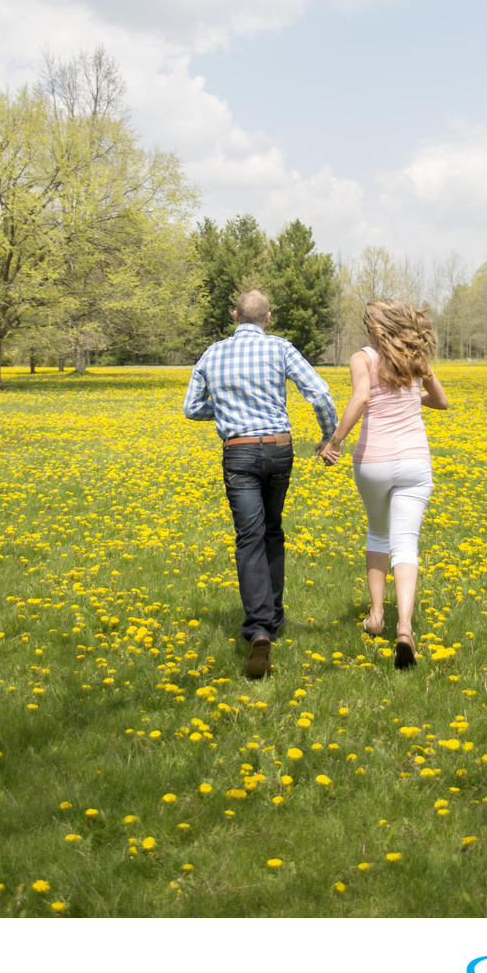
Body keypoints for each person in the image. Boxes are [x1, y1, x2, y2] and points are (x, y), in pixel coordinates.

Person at [184, 288, 338, 679]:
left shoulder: (212, 353)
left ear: (235, 316)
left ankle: (258, 629)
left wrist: (225, 406)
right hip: (279, 450)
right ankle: (275, 616)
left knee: (248, 537)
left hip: (238, 451)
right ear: (267, 319)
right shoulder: (281, 348)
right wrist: (327, 435)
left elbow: (190, 408)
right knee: (272, 530)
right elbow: (319, 392)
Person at [316, 298, 448, 668]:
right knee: (406, 543)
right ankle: (404, 628)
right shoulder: (416, 358)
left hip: (373, 461)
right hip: (414, 462)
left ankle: (376, 618)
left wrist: (334, 441)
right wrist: (409, 395)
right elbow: (441, 401)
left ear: (372, 327)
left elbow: (360, 398)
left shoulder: (363, 358)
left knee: (378, 534)